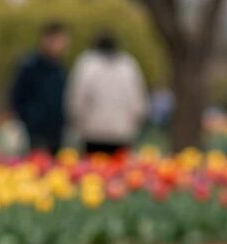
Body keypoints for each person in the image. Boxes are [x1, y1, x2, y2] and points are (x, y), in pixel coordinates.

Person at [66, 33, 148, 155]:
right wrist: (136, 122)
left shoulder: (86, 64)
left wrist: (76, 122)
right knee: (120, 170)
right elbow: (137, 100)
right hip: (122, 131)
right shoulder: (128, 66)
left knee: (93, 170)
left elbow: (77, 98)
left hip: (92, 130)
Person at [10, 22, 69, 155]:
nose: (61, 45)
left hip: (56, 129)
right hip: (35, 129)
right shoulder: (30, 67)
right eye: (57, 40)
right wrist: (29, 118)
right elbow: (17, 95)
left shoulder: (59, 68)